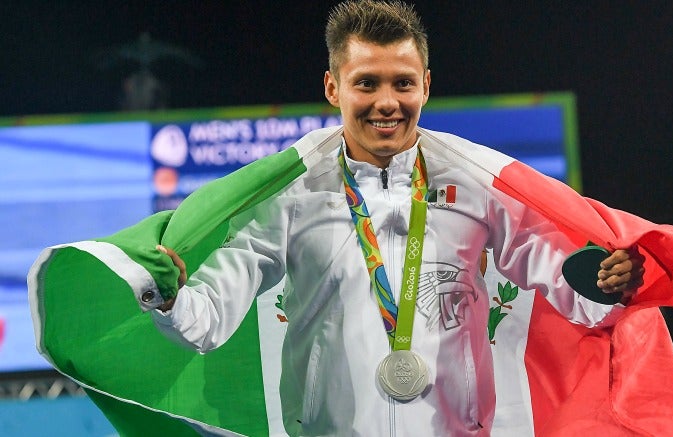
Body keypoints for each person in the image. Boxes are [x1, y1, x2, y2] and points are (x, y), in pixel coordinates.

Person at [150, 1, 647, 435]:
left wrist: (605, 283)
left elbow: (559, 274)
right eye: (366, 83)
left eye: (402, 83)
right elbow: (209, 317)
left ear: (426, 86)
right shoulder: (292, 195)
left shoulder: (476, 183)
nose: (386, 102)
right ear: (332, 87)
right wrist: (171, 300)